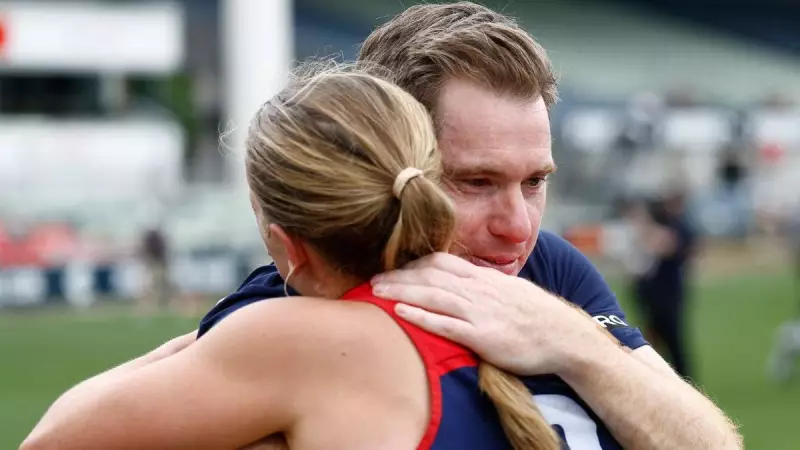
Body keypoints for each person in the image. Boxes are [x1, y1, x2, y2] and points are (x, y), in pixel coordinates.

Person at [202, 3, 741, 449]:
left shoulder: (548, 271)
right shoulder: (282, 319)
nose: (517, 226)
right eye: (476, 183)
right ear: (389, 158)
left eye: (534, 182)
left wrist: (578, 345)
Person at [23, 64, 590, 450]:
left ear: (288, 245)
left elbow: (50, 440)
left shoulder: (302, 337)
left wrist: (207, 340)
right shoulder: (502, 310)